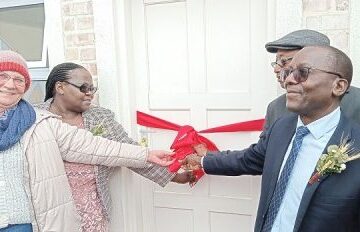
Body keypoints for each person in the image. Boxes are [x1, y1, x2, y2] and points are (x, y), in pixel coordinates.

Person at [182, 46, 360, 232]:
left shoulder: (355, 147)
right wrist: (202, 160)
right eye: (288, 73)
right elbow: (250, 159)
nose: (289, 80)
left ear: (338, 86)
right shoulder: (281, 127)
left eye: (302, 73)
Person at [0, 50, 174, 232]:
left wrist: (147, 154)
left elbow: (95, 147)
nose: (10, 85)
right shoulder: (43, 113)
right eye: (3, 76)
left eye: (19, 80)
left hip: (28, 223)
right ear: (60, 87)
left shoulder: (39, 122)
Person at [35, 62, 193, 231]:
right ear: (60, 87)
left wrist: (174, 176)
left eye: (92, 89)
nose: (90, 94)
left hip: (90, 211)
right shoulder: (35, 118)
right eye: (83, 88)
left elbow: (126, 150)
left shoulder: (101, 117)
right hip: (48, 212)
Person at [263, 29, 360, 131]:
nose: (276, 69)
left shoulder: (356, 102)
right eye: (276, 62)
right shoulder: (275, 108)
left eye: (283, 61)